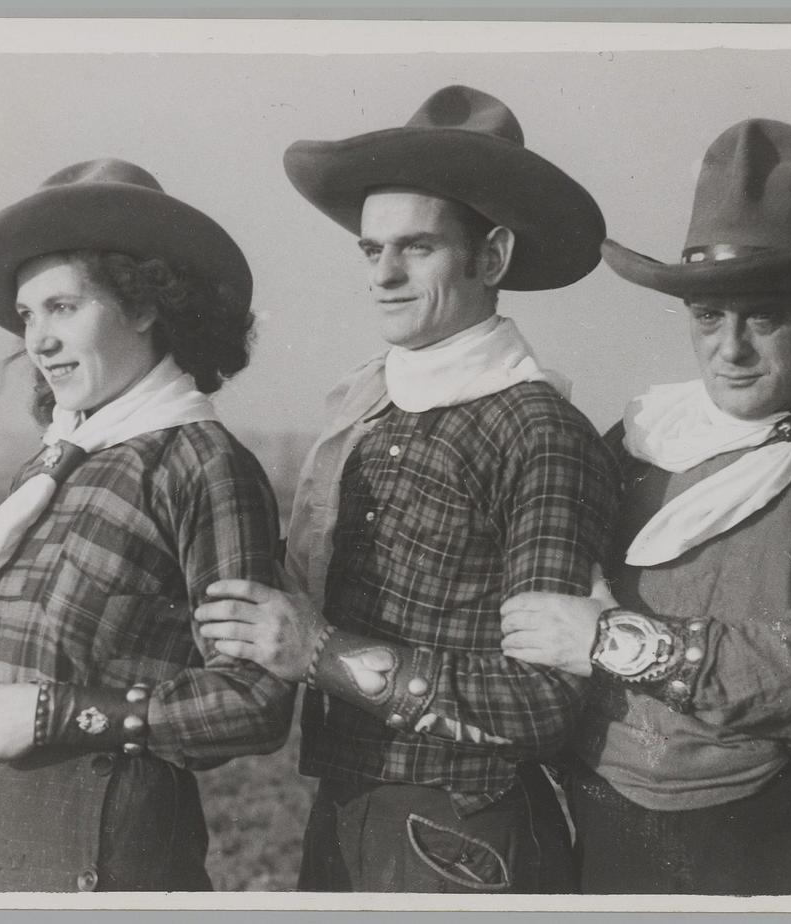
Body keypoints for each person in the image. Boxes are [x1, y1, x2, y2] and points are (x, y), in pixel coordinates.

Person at [498, 118, 791, 895]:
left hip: (790, 847)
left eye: (763, 315)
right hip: (611, 843)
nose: (731, 347)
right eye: (709, 315)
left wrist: (618, 642)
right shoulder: (633, 445)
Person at [195, 85, 619, 893]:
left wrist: (320, 653)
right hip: (350, 813)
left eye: (416, 248)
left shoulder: (540, 431)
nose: (384, 275)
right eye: (371, 250)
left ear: (492, 258)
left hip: (468, 836)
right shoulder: (370, 411)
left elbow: (542, 701)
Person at [0, 158, 295, 892]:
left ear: (144, 306)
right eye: (28, 315)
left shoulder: (204, 466)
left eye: (63, 307)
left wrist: (62, 714)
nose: (38, 341)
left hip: (111, 861)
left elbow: (256, 701)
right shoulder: (54, 466)